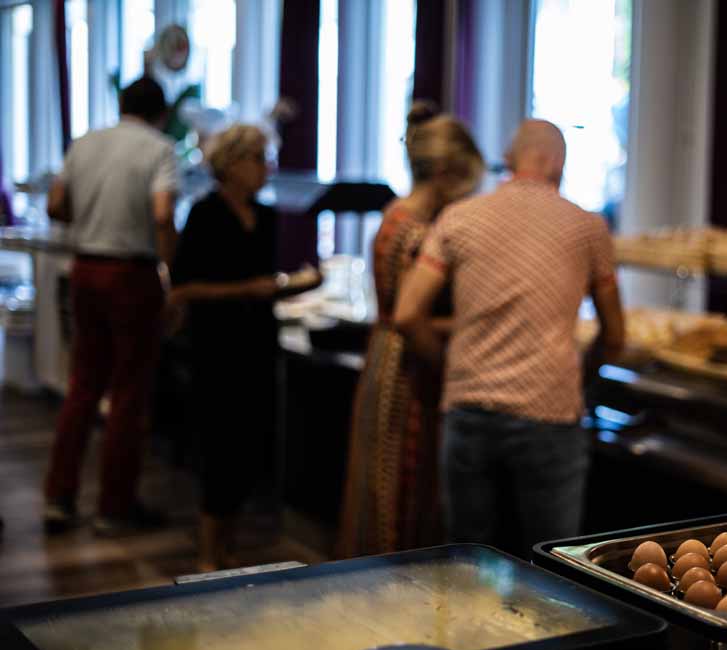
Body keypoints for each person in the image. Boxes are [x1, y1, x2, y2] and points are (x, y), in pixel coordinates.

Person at [395, 119, 625, 556]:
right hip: (549, 413)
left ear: (509, 160)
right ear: (557, 162)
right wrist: (583, 376)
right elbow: (615, 336)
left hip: (469, 409)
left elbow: (407, 314)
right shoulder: (587, 227)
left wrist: (452, 368)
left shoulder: (458, 217)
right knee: (554, 568)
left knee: (466, 566)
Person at [336, 103, 484, 558]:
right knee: (404, 490)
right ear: (443, 173)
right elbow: (409, 314)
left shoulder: (392, 215)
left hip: (383, 357)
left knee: (378, 487)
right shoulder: (421, 233)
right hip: (411, 369)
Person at [169, 124, 319, 572]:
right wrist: (248, 289)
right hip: (216, 347)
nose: (266, 169)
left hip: (258, 344)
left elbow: (267, 285)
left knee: (251, 444)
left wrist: (293, 286)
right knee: (220, 447)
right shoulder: (205, 214)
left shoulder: (267, 215)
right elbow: (184, 289)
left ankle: (228, 547)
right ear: (232, 164)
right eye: (258, 159)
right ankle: (208, 553)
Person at [43, 77, 179, 535]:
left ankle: (59, 498)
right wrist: (172, 273)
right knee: (127, 393)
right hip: (132, 274)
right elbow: (162, 214)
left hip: (85, 268)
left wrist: (91, 217)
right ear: (161, 113)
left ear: (121, 104)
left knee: (82, 383)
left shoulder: (85, 142)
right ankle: (113, 506)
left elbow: (56, 204)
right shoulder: (159, 148)